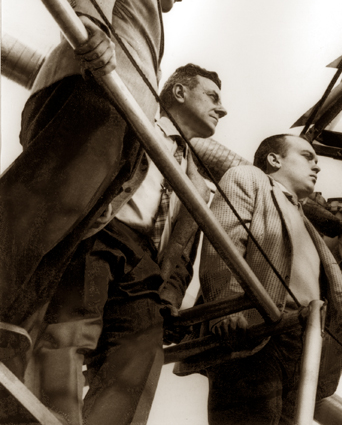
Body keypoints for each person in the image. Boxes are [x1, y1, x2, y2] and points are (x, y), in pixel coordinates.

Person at [0, 0, 187, 330]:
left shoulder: (151, 14)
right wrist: (91, 27)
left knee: (59, 239)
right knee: (38, 212)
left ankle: (10, 334)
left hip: (119, 120)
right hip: (94, 95)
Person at [24, 64, 227, 425]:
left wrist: (170, 293)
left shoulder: (197, 178)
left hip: (146, 261)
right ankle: (56, 418)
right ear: (179, 92)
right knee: (71, 327)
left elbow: (183, 248)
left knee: (141, 351)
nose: (221, 109)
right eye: (212, 96)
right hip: (100, 231)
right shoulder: (134, 119)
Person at [179, 134, 342, 425]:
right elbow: (224, 239)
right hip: (255, 331)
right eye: (307, 156)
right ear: (274, 160)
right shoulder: (248, 178)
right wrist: (228, 307)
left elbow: (333, 286)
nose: (316, 166)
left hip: (302, 345)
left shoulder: (306, 225)